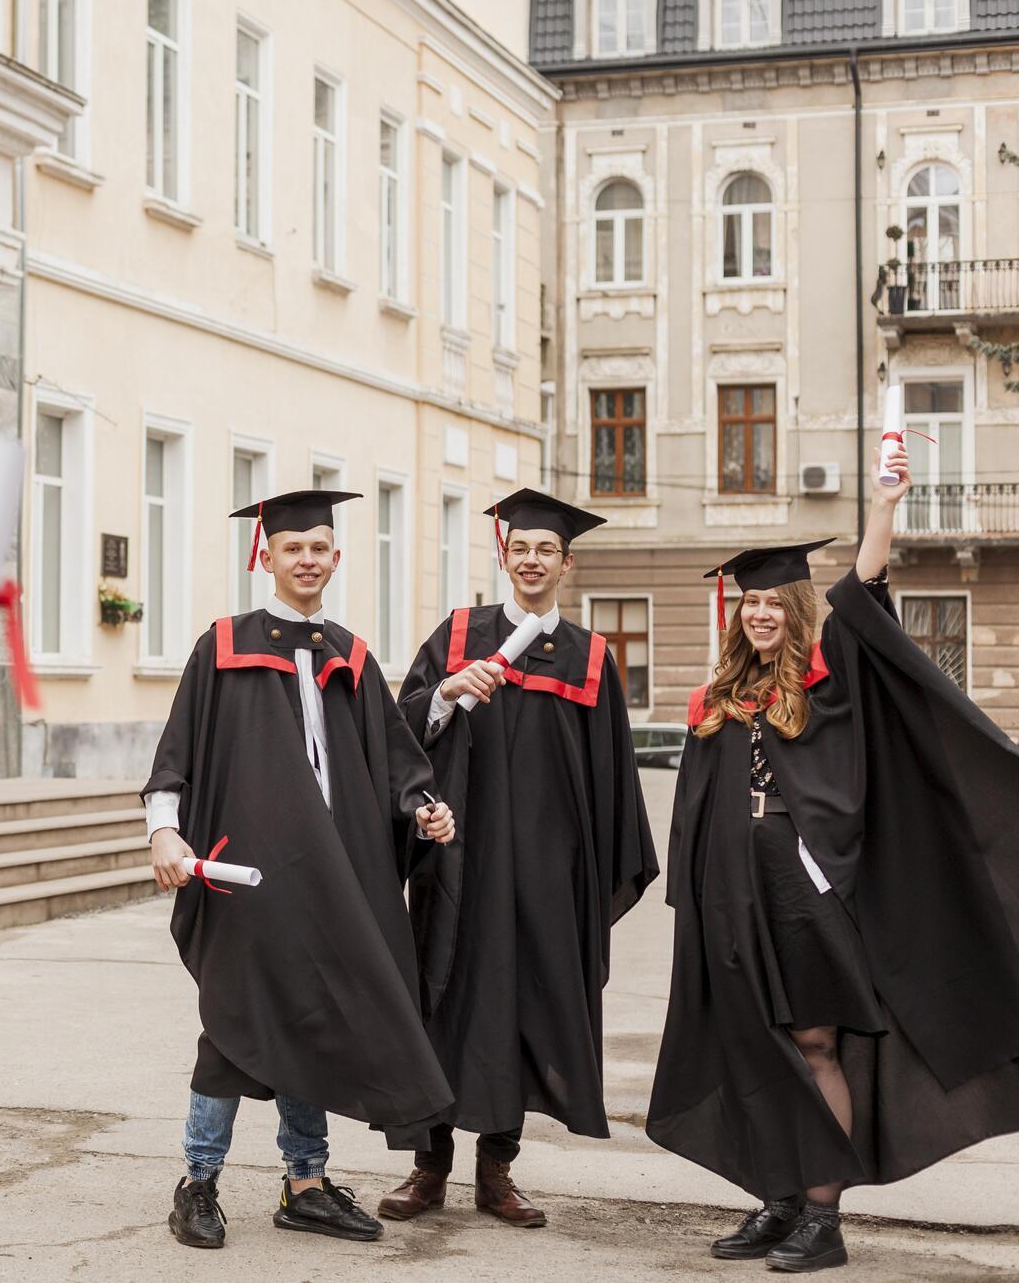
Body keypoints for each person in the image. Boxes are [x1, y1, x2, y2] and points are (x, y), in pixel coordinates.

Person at [648, 439, 1019, 1272]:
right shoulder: (718, 697)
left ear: (796, 606)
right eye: (751, 603)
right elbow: (694, 805)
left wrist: (882, 509)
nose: (761, 613)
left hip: (803, 884)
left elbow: (865, 593)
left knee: (814, 1041)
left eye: (775, 601)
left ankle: (824, 1214)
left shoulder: (830, 675)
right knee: (754, 1041)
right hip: (727, 888)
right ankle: (778, 1199)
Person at [144, 489, 457, 1252]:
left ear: (335, 558)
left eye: (320, 547)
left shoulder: (350, 654)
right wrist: (163, 831)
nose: (308, 559)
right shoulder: (223, 645)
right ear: (267, 556)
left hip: (333, 875)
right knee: (232, 1025)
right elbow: (175, 755)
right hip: (246, 873)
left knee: (313, 1019)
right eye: (294, 548)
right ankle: (199, 1182)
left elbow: (393, 758)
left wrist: (423, 806)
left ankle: (306, 1183)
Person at [383, 489, 657, 1230]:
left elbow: (612, 777)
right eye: (520, 547)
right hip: (458, 866)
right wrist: (443, 692)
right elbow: (398, 731)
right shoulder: (460, 632)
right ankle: (428, 1167)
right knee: (442, 1000)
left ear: (567, 562)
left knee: (526, 1013)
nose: (532, 559)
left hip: (546, 877)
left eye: (547, 550)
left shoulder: (591, 658)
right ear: (503, 556)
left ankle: (497, 1169)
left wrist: (594, 872)